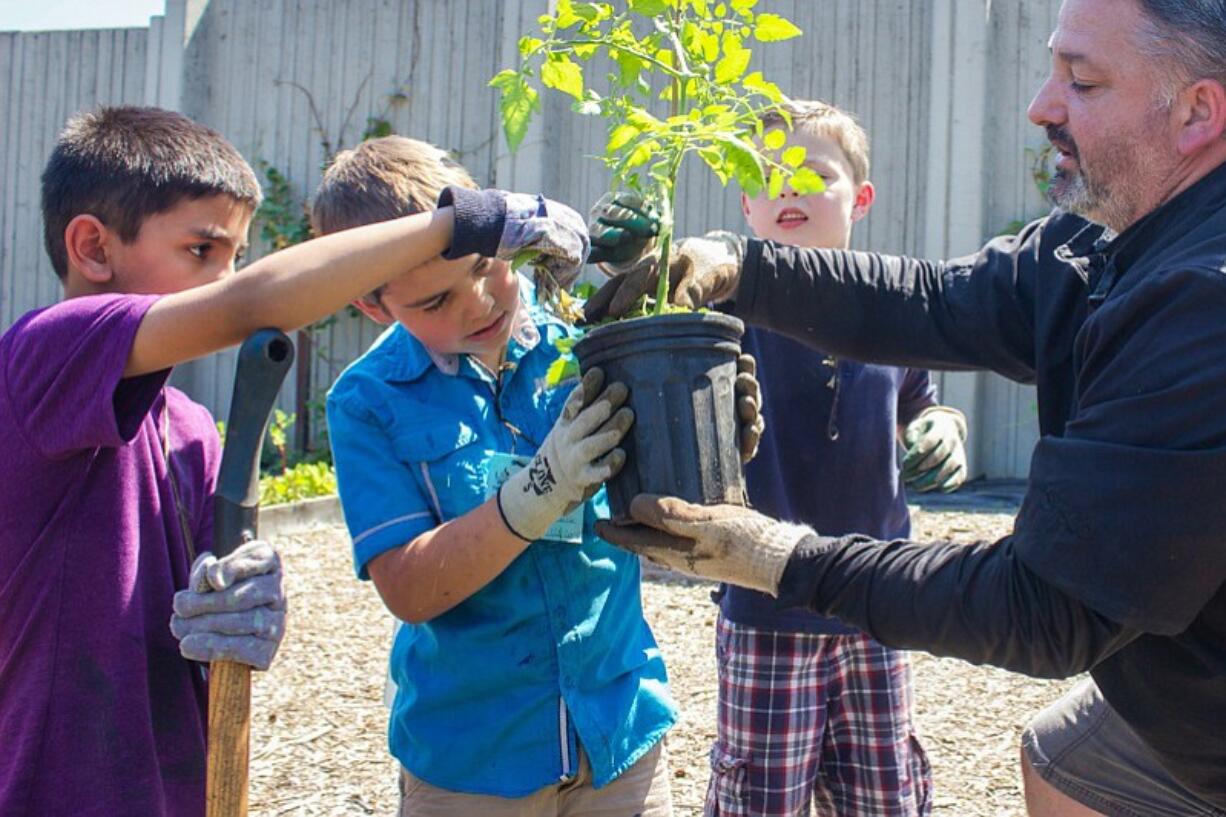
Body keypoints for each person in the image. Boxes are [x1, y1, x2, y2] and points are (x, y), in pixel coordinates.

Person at [586, 1, 1226, 814]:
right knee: (1064, 759)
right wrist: (735, 265)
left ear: (1198, 112)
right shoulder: (1107, 238)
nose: (1041, 105)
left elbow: (1051, 603)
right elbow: (937, 301)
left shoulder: (1204, 303)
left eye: (1083, 80)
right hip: (1178, 670)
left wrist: (776, 557)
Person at [0, 106, 590, 817]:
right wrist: (463, 222)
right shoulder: (41, 355)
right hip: (46, 785)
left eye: (238, 256)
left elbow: (181, 626)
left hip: (169, 787)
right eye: (203, 251)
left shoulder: (190, 430)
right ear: (93, 247)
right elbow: (253, 304)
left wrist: (234, 612)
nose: (229, 276)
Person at [315, 135, 761, 817]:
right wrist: (533, 495)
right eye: (435, 303)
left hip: (618, 733)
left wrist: (708, 429)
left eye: (488, 268)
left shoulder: (583, 340)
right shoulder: (368, 400)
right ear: (374, 306)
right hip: (472, 758)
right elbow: (407, 585)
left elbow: (654, 510)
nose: (479, 303)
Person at [704, 100, 967, 817]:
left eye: (814, 174)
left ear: (862, 198)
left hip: (878, 606)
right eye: (769, 174)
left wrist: (942, 424)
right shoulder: (728, 319)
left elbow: (921, 400)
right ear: (747, 205)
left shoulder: (888, 309)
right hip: (768, 606)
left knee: (885, 796)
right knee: (761, 797)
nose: (789, 187)